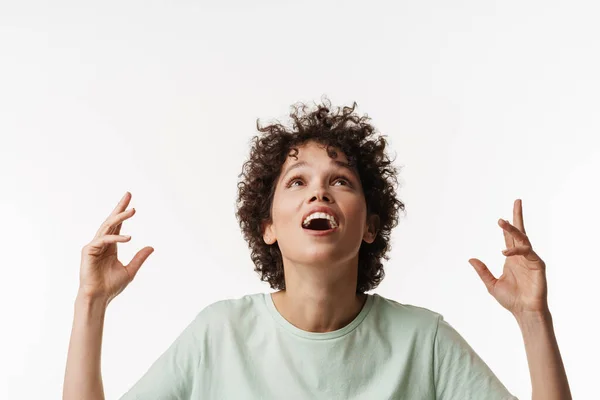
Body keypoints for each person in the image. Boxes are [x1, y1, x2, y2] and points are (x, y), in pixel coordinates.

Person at [63, 99, 572, 399]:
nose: (318, 192)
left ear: (370, 226)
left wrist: (533, 318)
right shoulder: (217, 335)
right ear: (268, 227)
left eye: (341, 181)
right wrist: (91, 303)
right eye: (297, 181)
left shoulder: (425, 342)